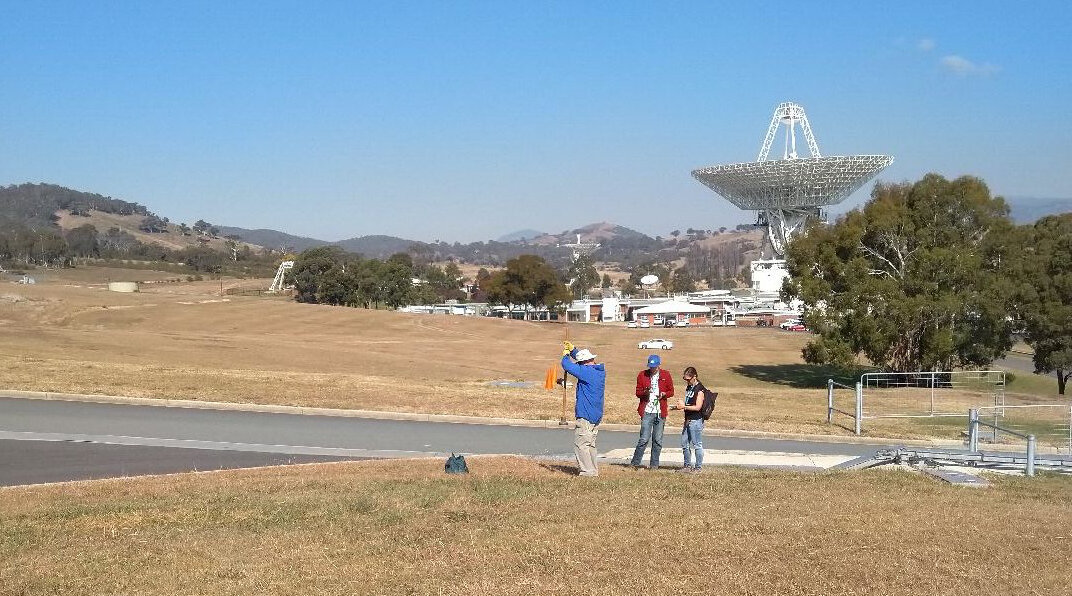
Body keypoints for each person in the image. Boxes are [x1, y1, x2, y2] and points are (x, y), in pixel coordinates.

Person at [561, 341, 606, 477]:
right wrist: (574, 350)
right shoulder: (599, 371)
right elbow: (580, 362)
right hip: (596, 414)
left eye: (580, 363)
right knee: (590, 445)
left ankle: (587, 471)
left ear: (584, 363)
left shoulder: (587, 372)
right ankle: (592, 469)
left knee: (581, 444)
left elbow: (567, 365)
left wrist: (566, 355)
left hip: (586, 414)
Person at [630, 353, 674, 469]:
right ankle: (635, 463)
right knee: (644, 439)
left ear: (659, 365)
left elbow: (671, 391)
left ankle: (654, 465)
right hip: (647, 411)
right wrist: (645, 392)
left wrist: (664, 394)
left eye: (654, 367)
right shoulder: (642, 375)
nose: (652, 369)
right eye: (650, 366)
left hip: (660, 412)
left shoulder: (666, 375)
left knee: (657, 440)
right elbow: (637, 392)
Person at [673, 366, 708, 473]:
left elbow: (697, 407)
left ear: (695, 376)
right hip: (688, 419)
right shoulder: (689, 388)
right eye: (685, 379)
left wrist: (684, 407)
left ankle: (698, 468)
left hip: (696, 420)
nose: (687, 381)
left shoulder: (700, 389)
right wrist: (676, 407)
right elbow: (688, 403)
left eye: (688, 379)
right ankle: (687, 466)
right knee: (685, 444)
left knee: (697, 445)